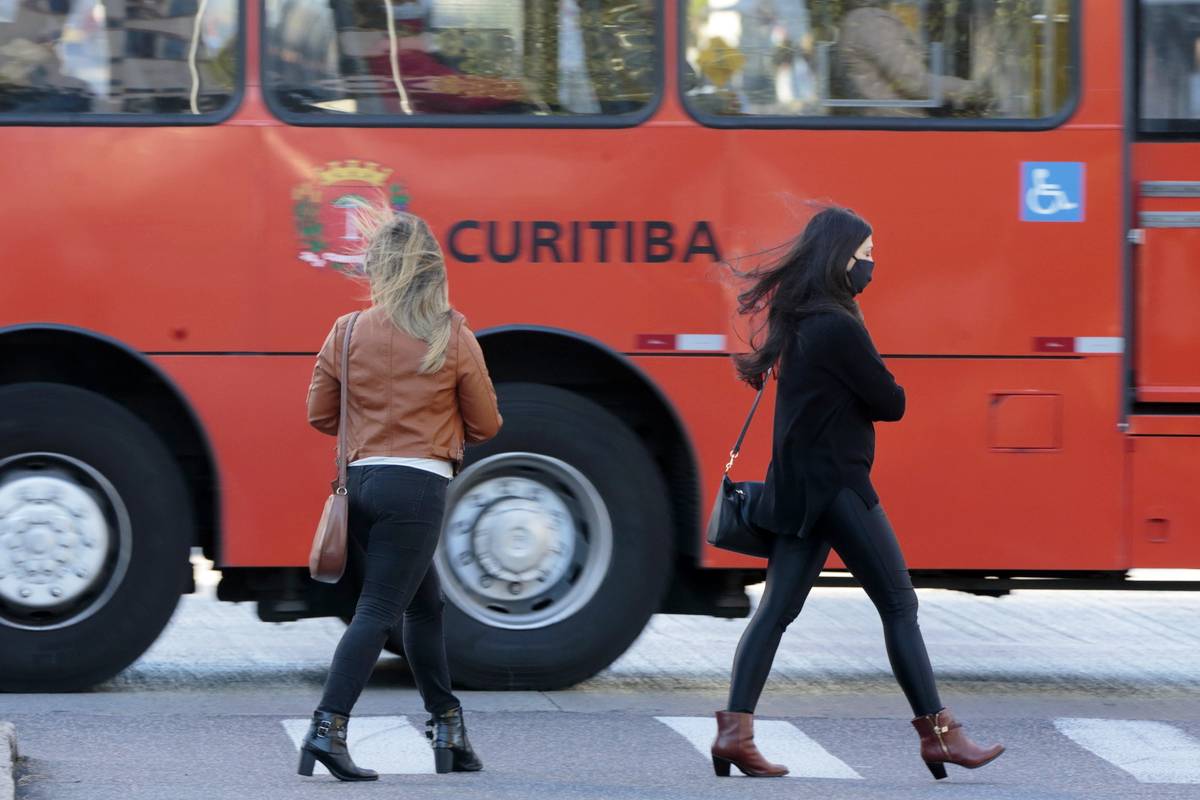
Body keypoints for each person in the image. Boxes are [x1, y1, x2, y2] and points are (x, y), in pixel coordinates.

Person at [710, 206, 1004, 781]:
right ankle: (941, 738)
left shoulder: (798, 318)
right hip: (839, 488)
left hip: (795, 489)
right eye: (865, 256)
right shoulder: (838, 325)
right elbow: (890, 402)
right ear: (840, 258)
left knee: (775, 612)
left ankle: (733, 732)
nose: (871, 266)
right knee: (899, 605)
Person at [301, 210, 502, 781]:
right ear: (431, 269)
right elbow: (487, 425)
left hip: (362, 484)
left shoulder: (345, 330)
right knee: (379, 611)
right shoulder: (450, 334)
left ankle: (448, 728)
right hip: (417, 489)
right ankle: (327, 727)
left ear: (378, 270)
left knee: (424, 603)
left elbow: (319, 414)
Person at [832, 0, 990, 117]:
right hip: (897, 126)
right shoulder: (872, 23)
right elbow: (914, 82)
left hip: (885, 122)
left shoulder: (858, 20)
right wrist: (974, 91)